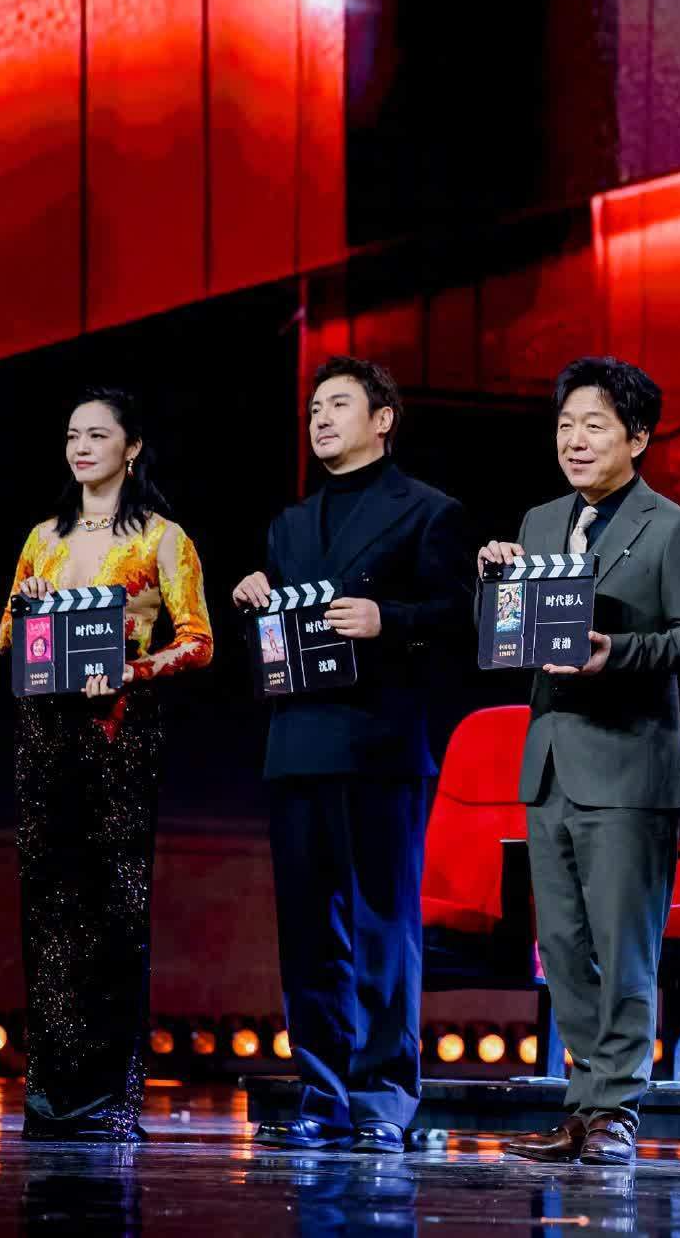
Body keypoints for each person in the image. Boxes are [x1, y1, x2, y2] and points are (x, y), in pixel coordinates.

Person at [492, 358, 680, 1168]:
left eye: (594, 426)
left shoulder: (672, 527)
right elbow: (513, 637)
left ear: (638, 436)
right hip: (550, 762)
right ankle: (583, 1103)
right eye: (565, 426)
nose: (576, 441)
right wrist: (495, 587)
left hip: (629, 765)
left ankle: (617, 1107)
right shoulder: (537, 523)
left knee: (623, 946)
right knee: (560, 946)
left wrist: (616, 653)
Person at [233, 356, 472, 1153]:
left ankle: (382, 1102)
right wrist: (255, 604)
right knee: (307, 935)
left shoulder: (429, 511)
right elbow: (279, 643)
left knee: (381, 930)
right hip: (297, 744)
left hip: (379, 745)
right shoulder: (289, 526)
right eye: (313, 410)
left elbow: (460, 616)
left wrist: (387, 619)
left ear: (383, 419)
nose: (322, 419)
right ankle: (323, 1094)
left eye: (338, 405)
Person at [0, 387, 214, 1141]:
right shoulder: (42, 539)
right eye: (72, 436)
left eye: (97, 435)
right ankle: (50, 1097)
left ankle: (106, 1099)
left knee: (112, 911)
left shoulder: (162, 538)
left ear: (132, 447)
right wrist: (27, 606)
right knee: (48, 912)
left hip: (118, 731)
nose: (82, 448)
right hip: (44, 732)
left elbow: (199, 641)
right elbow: (5, 638)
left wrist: (135, 670)